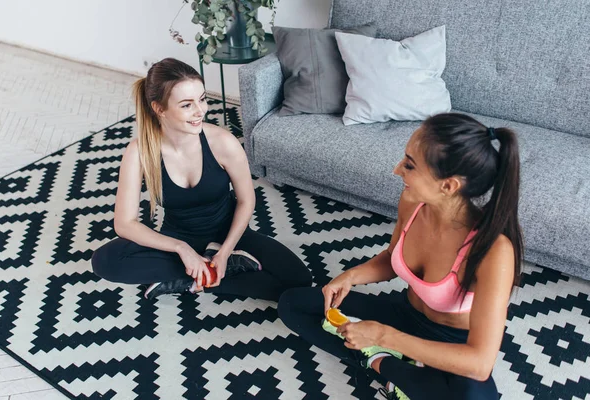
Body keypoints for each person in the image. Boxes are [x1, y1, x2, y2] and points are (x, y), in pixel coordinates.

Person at [278, 113, 522, 399]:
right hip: (403, 313)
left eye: (409, 164)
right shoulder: (413, 201)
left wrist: (382, 336)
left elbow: (480, 364)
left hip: (451, 341)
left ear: (449, 185)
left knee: (473, 396)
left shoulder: (494, 250)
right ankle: (388, 364)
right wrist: (350, 277)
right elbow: (393, 258)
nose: (397, 170)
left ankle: (383, 361)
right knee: (292, 305)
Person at [92, 58, 312, 301]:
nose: (201, 111)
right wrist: (181, 249)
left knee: (298, 280)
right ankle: (198, 273)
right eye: (187, 105)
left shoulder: (222, 141)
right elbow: (124, 224)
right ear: (159, 109)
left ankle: (190, 278)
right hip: (178, 239)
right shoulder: (139, 151)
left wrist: (225, 253)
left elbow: (246, 200)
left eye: (202, 99)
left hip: (230, 237)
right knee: (106, 261)